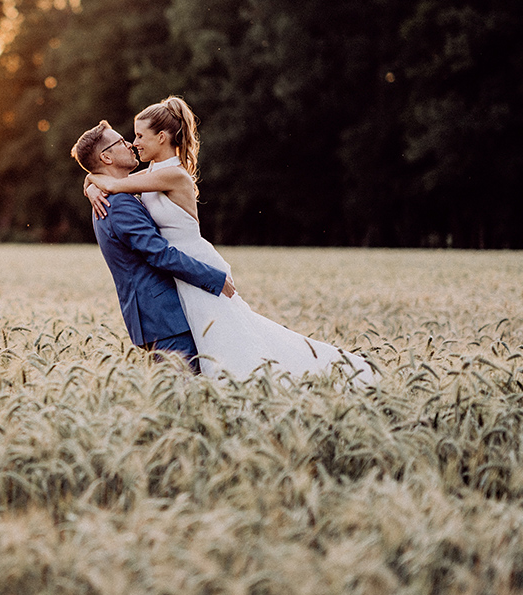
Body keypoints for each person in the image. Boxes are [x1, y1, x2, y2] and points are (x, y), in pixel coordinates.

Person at [83, 97, 377, 385]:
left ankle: (304, 377)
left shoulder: (171, 175)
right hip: (181, 272)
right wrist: (90, 184)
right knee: (218, 346)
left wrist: (94, 183)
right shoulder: (149, 175)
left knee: (231, 344)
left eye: (137, 136)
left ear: (161, 137)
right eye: (127, 139)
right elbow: (108, 179)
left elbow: (113, 182)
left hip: (194, 266)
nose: (133, 142)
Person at [71, 120, 237, 367]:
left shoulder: (112, 197)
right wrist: (213, 278)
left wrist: (90, 184)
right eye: (121, 141)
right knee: (185, 397)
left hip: (157, 320)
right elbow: (159, 254)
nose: (130, 144)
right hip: (165, 320)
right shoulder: (120, 205)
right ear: (106, 158)